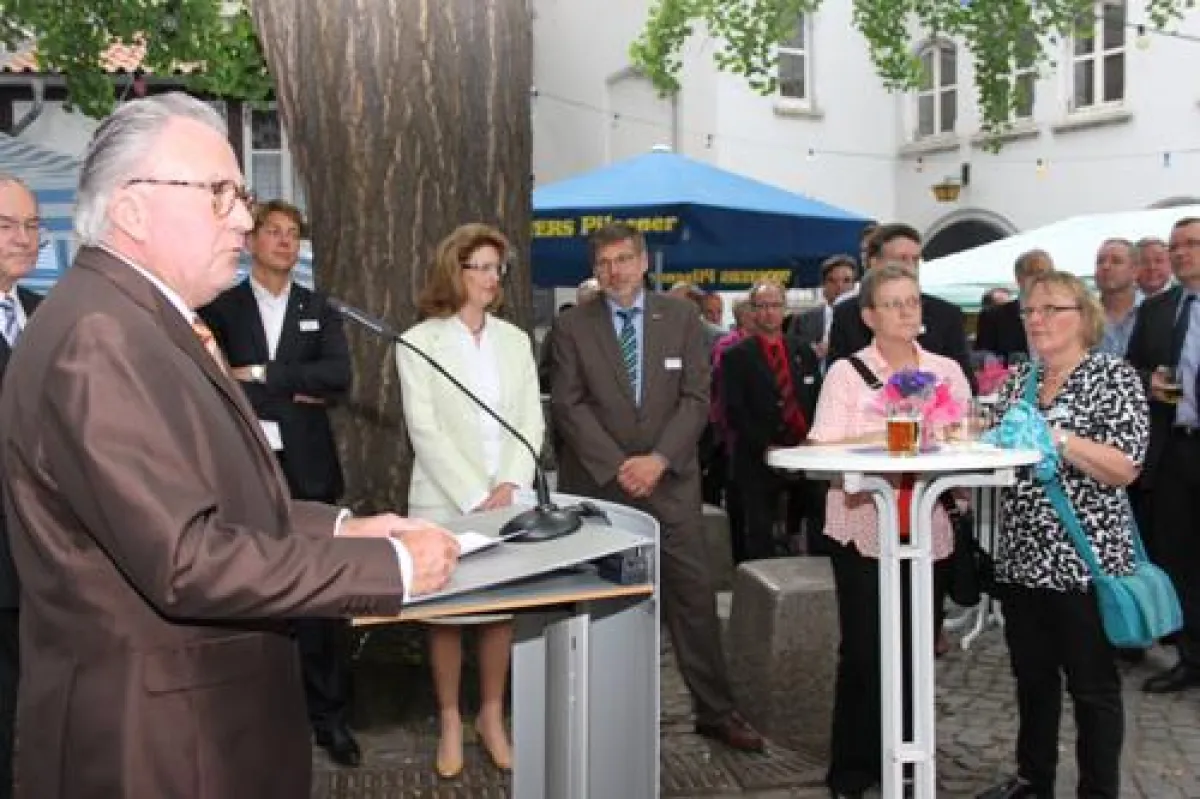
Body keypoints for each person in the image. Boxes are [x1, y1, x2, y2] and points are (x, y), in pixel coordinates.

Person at [0, 92, 460, 798]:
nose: (245, 218)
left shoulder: (137, 318)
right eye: (219, 193)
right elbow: (186, 558)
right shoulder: (100, 336)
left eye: (239, 195)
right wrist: (387, 566)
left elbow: (216, 499)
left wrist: (343, 525)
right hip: (159, 747)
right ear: (131, 209)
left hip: (197, 728)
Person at [551, 221, 763, 752]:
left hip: (671, 485)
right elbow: (568, 405)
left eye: (623, 259)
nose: (613, 271)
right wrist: (620, 465)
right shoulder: (574, 326)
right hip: (602, 487)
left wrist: (659, 460)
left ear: (644, 262)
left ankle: (716, 711)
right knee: (605, 603)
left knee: (693, 601)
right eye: (603, 264)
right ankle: (604, 717)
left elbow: (696, 398)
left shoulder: (683, 317)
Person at [199, 199, 361, 767]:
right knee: (253, 591)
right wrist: (292, 390)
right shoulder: (219, 308)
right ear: (252, 242)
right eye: (273, 231)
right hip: (242, 468)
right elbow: (214, 379)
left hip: (309, 469)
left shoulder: (320, 308)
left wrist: (263, 375)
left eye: (293, 234)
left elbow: (337, 377)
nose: (285, 242)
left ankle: (330, 718)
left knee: (321, 597)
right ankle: (257, 717)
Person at [979, 271, 1148, 799]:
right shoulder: (1017, 381)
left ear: (1085, 315)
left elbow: (1125, 468)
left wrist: (1058, 437)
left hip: (1085, 561)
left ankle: (1098, 791)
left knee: (1092, 688)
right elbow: (997, 459)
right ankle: (1034, 780)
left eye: (1052, 309)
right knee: (1032, 681)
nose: (1037, 320)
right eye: (1030, 311)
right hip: (1022, 558)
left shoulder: (1112, 377)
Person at [808, 263, 970, 799]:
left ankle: (908, 757)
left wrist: (940, 439)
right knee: (863, 650)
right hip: (862, 523)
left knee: (918, 645)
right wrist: (892, 432)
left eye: (913, 301)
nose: (907, 312)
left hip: (929, 527)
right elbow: (819, 448)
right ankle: (852, 770)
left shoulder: (946, 369)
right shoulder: (847, 373)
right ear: (869, 315)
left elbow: (965, 443)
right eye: (894, 303)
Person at [397, 223, 544, 778]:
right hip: (443, 500)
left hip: (508, 496)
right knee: (447, 616)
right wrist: (474, 495)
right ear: (453, 271)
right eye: (479, 266)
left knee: (499, 612)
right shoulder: (418, 341)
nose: (491, 277)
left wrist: (508, 484)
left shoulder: (515, 340)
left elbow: (530, 416)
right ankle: (451, 720)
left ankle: (490, 716)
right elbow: (425, 431)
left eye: (496, 268)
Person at [1127, 217, 1200, 694]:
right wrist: (1145, 378)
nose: (1180, 253)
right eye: (1175, 246)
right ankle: (1191, 657)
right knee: (1181, 557)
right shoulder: (1158, 310)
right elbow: (1128, 367)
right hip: (1176, 447)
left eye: (1191, 244)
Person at [722, 281, 822, 562]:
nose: (769, 312)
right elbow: (734, 409)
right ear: (752, 311)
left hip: (805, 452)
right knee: (759, 531)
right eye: (762, 306)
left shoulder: (803, 351)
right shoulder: (736, 357)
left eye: (775, 305)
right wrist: (765, 446)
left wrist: (811, 441)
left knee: (816, 514)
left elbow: (816, 398)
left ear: (785, 309)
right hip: (758, 456)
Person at [0, 175, 42, 799]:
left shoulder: (46, 313)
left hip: (41, 557)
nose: (25, 238)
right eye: (8, 225)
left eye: (33, 225)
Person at [827, 223, 974, 390]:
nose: (911, 266)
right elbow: (835, 379)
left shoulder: (946, 315)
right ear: (874, 263)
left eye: (915, 259)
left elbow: (966, 386)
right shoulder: (847, 315)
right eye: (902, 258)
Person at [975, 249, 1053, 367]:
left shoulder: (1065, 311)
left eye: (1047, 273)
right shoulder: (993, 317)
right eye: (1033, 273)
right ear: (1019, 279)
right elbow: (983, 359)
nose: (1041, 278)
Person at [789, 254, 857, 361]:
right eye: (832, 281)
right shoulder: (802, 320)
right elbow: (791, 355)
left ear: (854, 285)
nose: (839, 286)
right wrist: (810, 352)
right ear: (823, 285)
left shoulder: (864, 319)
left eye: (846, 280)